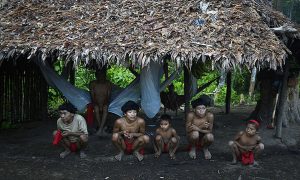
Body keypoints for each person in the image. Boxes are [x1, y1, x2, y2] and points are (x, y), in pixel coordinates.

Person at [186, 95, 214, 159]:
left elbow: (210, 131)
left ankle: (205, 149)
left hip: (204, 137)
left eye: (203, 108)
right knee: (195, 133)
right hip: (192, 137)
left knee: (210, 136)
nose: (201, 111)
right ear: (194, 109)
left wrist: (198, 128)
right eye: (199, 108)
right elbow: (187, 130)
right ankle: (193, 148)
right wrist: (201, 126)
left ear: (206, 108)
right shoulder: (191, 115)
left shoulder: (210, 116)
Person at [89, 66, 112, 136]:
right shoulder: (93, 83)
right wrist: (97, 104)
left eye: (103, 75)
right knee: (96, 109)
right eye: (99, 75)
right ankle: (101, 128)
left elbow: (108, 95)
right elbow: (92, 95)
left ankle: (100, 129)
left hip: (105, 102)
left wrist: (103, 104)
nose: (101, 77)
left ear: (105, 76)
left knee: (105, 109)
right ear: (96, 76)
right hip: (96, 102)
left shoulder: (108, 83)